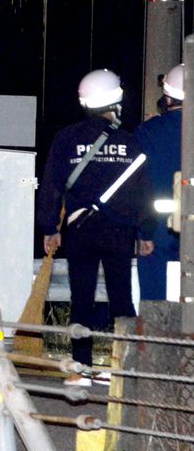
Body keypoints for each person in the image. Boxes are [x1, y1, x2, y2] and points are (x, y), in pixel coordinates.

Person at [37, 68, 155, 386]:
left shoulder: (66, 139)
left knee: (82, 299)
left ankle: (82, 369)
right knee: (122, 300)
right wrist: (145, 233)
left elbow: (51, 186)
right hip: (120, 232)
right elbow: (143, 193)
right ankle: (128, 372)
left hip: (80, 230)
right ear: (117, 101)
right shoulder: (130, 143)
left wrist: (50, 228)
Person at [134, 63, 184, 300]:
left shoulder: (148, 132)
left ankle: (156, 336)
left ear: (168, 97)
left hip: (159, 227)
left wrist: (145, 232)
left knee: (156, 298)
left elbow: (140, 185)